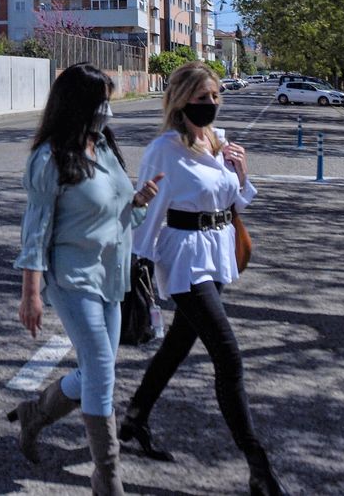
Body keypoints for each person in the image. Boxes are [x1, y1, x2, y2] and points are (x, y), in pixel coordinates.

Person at [119, 61, 286, 496]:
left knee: (178, 345)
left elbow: (236, 201)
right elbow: (148, 211)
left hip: (218, 250)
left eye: (214, 97)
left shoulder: (219, 142)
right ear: (180, 101)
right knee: (228, 358)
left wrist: (242, 172)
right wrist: (137, 265)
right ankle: (258, 466)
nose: (210, 104)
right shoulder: (164, 149)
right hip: (185, 258)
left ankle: (135, 417)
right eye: (201, 98)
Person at [10, 63, 160, 496]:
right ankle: (107, 479)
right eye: (101, 100)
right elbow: (35, 232)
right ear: (79, 105)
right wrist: (31, 294)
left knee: (101, 367)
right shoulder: (50, 158)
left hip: (111, 275)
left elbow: (118, 213)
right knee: (99, 368)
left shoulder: (106, 148)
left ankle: (35, 413)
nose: (107, 108)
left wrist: (139, 202)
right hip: (72, 278)